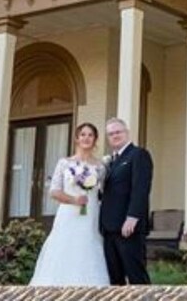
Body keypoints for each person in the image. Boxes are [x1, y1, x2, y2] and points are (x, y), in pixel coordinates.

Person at [28, 122, 111, 286]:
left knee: (88, 245)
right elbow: (54, 191)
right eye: (83, 135)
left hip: (91, 214)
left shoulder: (101, 167)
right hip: (69, 213)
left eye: (90, 135)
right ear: (76, 139)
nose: (86, 138)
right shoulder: (65, 163)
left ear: (95, 140)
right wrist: (74, 200)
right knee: (64, 246)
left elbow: (104, 192)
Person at [99, 117, 153, 285]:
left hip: (128, 227)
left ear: (126, 133)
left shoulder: (138, 155)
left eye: (118, 132)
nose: (114, 136)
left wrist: (132, 217)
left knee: (136, 276)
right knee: (115, 279)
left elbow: (141, 189)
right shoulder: (111, 161)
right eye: (111, 134)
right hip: (109, 228)